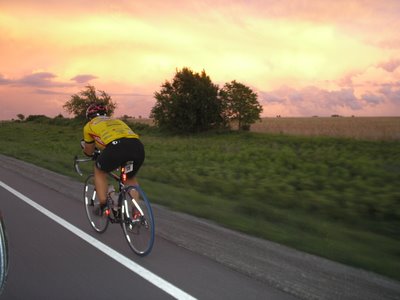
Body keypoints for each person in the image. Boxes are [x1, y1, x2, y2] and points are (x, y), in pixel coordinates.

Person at [81, 103, 145, 214]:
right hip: (137, 146)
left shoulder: (89, 125)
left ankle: (103, 205)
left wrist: (88, 152)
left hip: (116, 147)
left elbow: (89, 151)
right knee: (129, 178)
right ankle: (136, 212)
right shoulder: (117, 121)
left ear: (89, 116)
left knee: (99, 170)